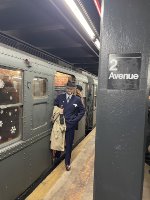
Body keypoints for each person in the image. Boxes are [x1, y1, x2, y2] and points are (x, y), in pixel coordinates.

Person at [54, 80, 85, 171]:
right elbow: (55, 107)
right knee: (59, 141)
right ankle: (57, 158)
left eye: (71, 88)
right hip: (60, 125)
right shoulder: (60, 97)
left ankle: (67, 163)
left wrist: (75, 120)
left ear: (74, 89)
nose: (69, 90)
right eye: (68, 88)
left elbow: (82, 111)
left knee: (68, 145)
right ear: (65, 88)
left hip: (70, 126)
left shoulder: (77, 99)